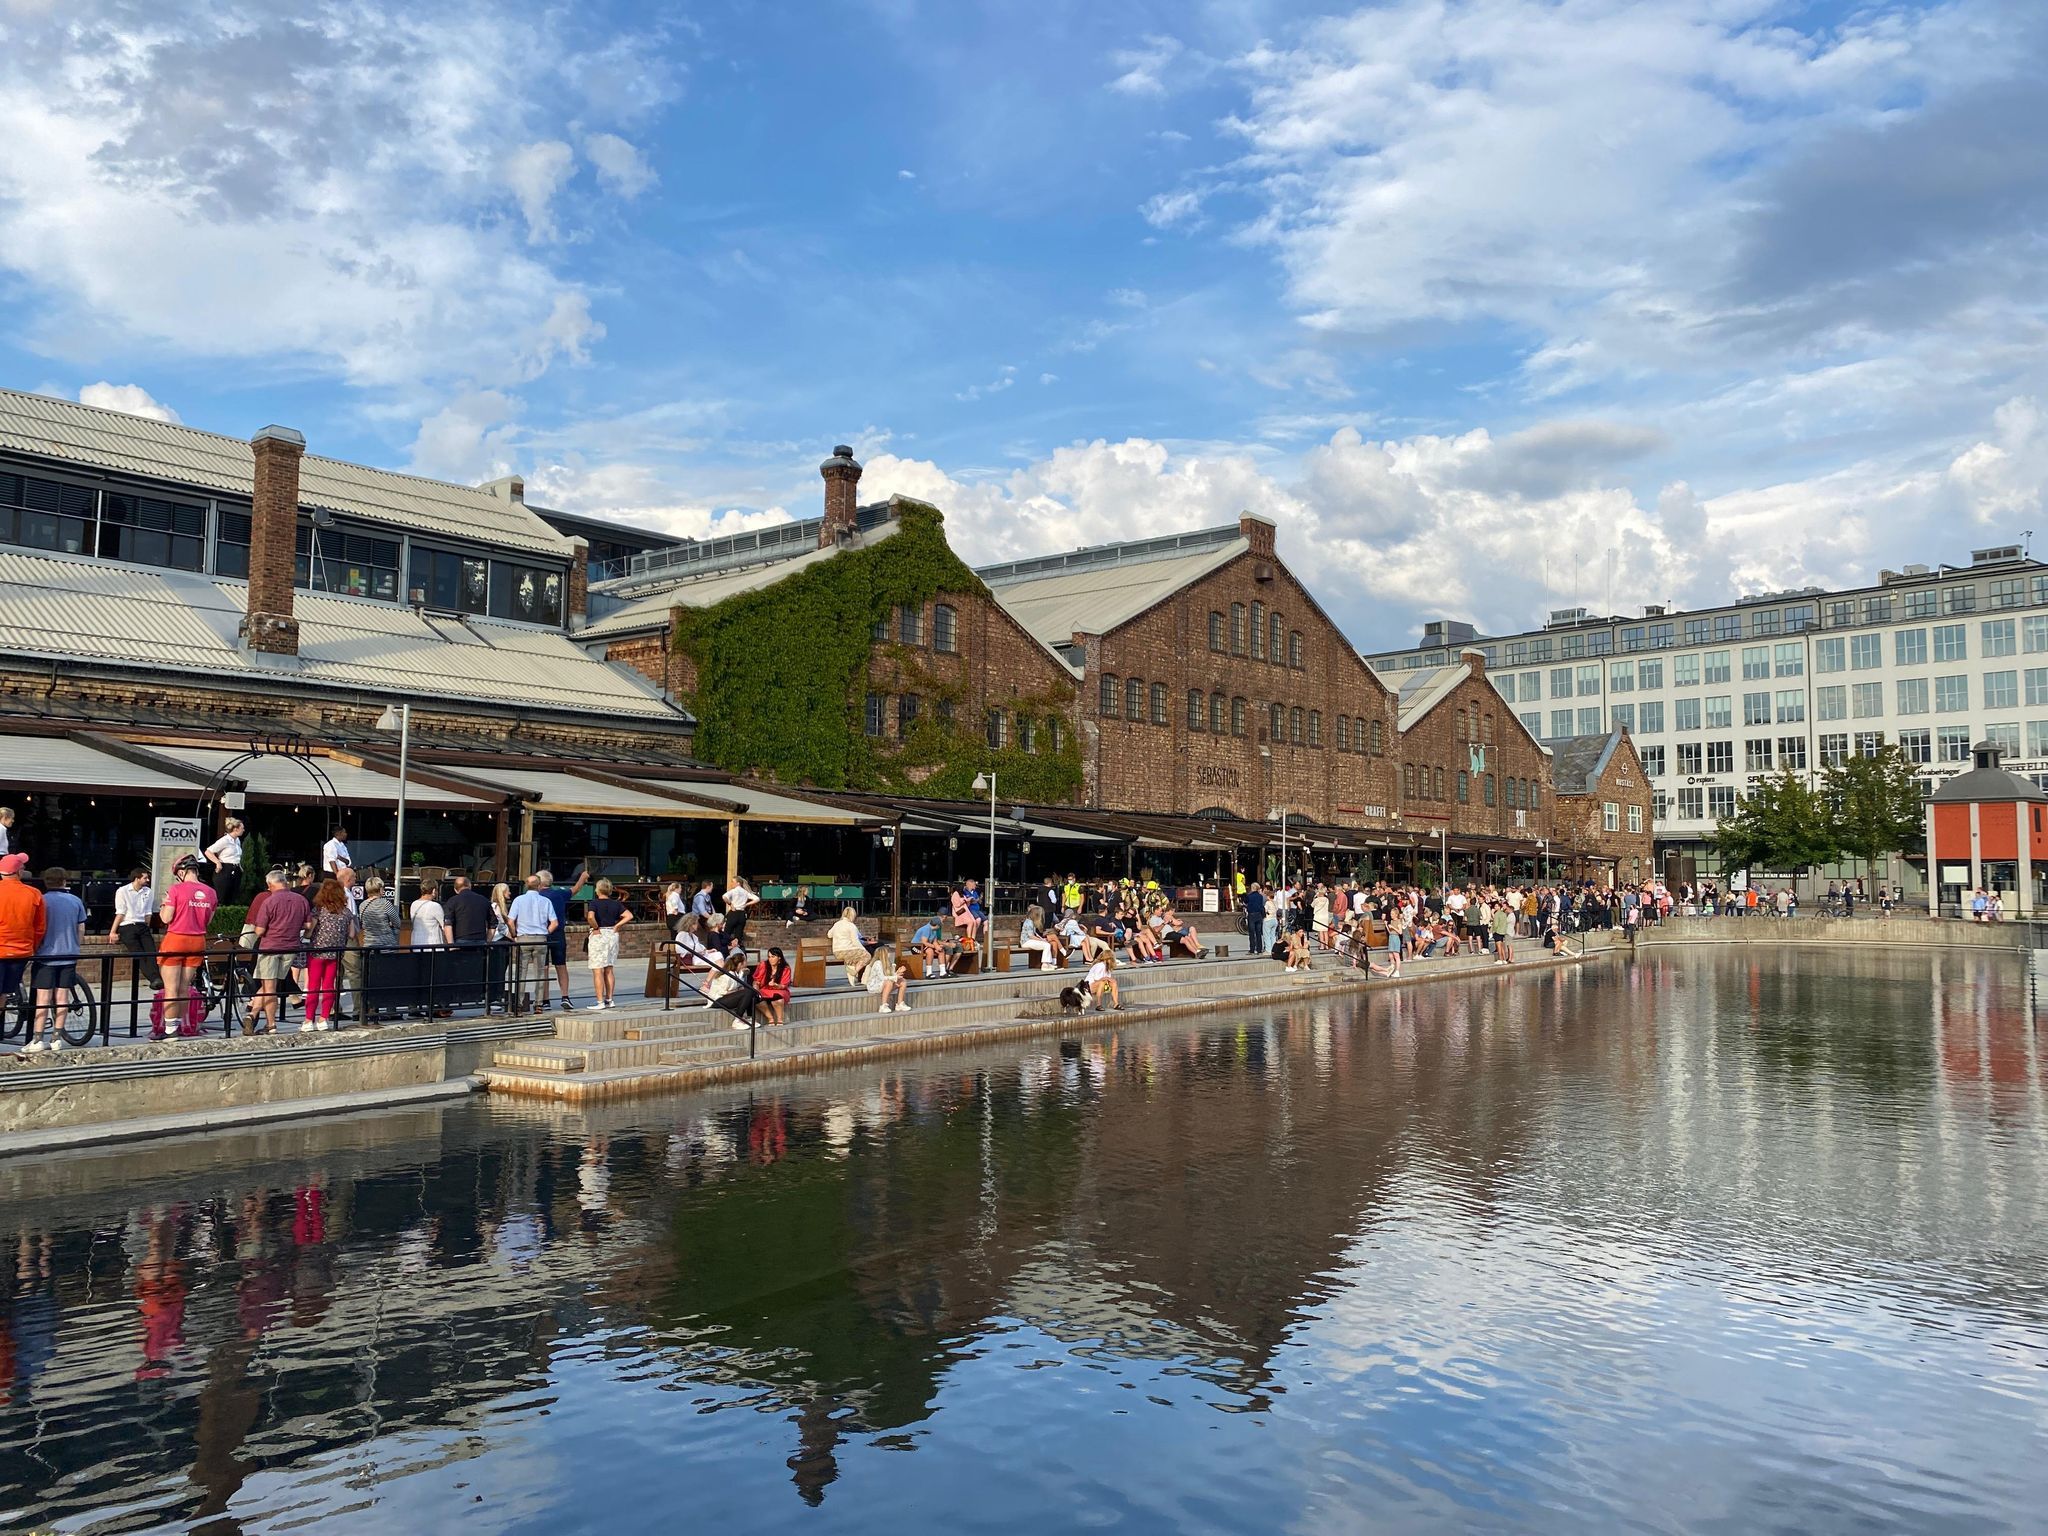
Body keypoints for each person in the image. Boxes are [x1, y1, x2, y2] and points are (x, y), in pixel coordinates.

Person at [21, 867, 84, 1054]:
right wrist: (76, 947)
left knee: (43, 998)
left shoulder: (42, 900)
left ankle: (38, 1038)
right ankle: (57, 1038)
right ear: (65, 881)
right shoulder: (75, 901)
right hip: (69, 954)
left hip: (46, 955)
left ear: (45, 881)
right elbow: (81, 929)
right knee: (62, 997)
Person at [245, 867, 305, 1036]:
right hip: (290, 948)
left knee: (269, 987)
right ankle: (253, 1014)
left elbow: (259, 931)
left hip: (270, 948)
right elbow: (308, 925)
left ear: (271, 884)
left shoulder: (269, 901)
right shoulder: (300, 900)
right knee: (270, 986)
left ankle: (271, 1025)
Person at [300, 880, 357, 1032]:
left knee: (313, 987)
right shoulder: (346, 912)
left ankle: (308, 1020)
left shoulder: (318, 910)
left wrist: (305, 935)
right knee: (329, 986)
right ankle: (323, 1019)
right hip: (335, 954)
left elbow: (309, 932)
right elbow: (352, 934)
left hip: (317, 952)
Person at [507, 875, 558, 1013]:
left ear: (526, 885)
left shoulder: (518, 900)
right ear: (539, 885)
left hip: (523, 938)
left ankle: (518, 1004)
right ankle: (538, 1004)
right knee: (540, 972)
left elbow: (510, 921)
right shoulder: (546, 901)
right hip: (540, 938)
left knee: (521, 972)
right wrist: (545, 933)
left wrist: (514, 935)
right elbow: (554, 923)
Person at [109, 866, 160, 991]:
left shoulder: (148, 892)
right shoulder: (122, 891)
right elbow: (120, 912)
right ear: (137, 878)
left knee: (151, 951)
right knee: (138, 953)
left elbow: (148, 913)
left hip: (142, 924)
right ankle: (154, 978)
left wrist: (147, 926)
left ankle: (155, 978)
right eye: (145, 878)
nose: (147, 880)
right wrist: (113, 931)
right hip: (127, 925)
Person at [585, 877, 632, 1011]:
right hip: (612, 933)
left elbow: (590, 917)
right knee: (609, 969)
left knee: (597, 969)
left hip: (599, 934)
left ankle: (600, 1001)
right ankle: (609, 999)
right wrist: (617, 926)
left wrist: (595, 927)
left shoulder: (594, 903)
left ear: (598, 890)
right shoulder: (616, 904)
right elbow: (629, 915)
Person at [538, 869, 578, 1010]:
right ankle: (565, 996)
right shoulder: (559, 894)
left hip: (542, 932)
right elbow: (574, 890)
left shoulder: (537, 896)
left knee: (543, 967)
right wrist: (583, 878)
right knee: (561, 965)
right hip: (558, 932)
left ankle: (545, 1000)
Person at [829, 906, 871, 988]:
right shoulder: (851, 926)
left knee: (854, 957)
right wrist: (863, 950)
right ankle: (853, 972)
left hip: (837, 952)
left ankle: (851, 972)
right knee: (867, 956)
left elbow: (829, 935)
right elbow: (855, 941)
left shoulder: (837, 924)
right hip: (848, 951)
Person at [445, 872, 492, 945]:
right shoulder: (484, 900)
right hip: (481, 939)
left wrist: (451, 945)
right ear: (470, 886)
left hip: (461, 939)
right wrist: (488, 942)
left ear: (455, 890)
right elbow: (493, 923)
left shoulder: (452, 901)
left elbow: (448, 923)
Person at [751, 947, 793, 1026]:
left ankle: (780, 1019)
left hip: (780, 990)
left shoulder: (785, 968)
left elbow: (784, 985)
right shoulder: (764, 965)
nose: (770, 959)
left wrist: (776, 985)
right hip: (765, 989)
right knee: (756, 998)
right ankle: (770, 1018)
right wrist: (755, 986)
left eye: (773, 957)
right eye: (769, 957)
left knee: (777, 998)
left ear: (779, 957)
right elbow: (756, 980)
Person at [864, 944, 910, 1014]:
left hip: (884, 984)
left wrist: (897, 972)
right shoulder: (877, 963)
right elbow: (882, 978)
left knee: (902, 981)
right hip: (875, 986)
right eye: (888, 953)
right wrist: (895, 977)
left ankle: (900, 1003)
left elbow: (891, 976)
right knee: (889, 982)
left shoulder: (889, 963)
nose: (890, 954)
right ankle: (883, 1006)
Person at [1080, 944, 1121, 1012]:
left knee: (1113, 983)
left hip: (1098, 985)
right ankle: (1098, 1005)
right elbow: (1097, 979)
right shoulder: (1100, 965)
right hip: (1088, 987)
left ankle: (1116, 1004)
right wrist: (1107, 978)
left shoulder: (1107, 966)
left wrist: (1111, 980)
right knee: (1102, 982)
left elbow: (1107, 978)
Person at [409, 879, 450, 947]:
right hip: (433, 945)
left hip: (416, 942)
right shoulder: (435, 906)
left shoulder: (414, 904)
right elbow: (445, 926)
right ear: (433, 891)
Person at [723, 876, 756, 949]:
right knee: (738, 935)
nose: (731, 883)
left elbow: (724, 897)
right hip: (742, 914)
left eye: (733, 882)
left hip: (734, 912)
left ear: (738, 883)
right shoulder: (745, 892)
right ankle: (737, 949)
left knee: (726, 933)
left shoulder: (734, 891)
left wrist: (730, 904)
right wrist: (746, 904)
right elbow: (757, 899)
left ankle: (725, 948)